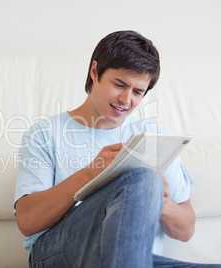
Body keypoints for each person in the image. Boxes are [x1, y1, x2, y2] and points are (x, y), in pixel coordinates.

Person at [14, 31, 220, 267]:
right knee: (142, 179)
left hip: (138, 259)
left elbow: (186, 230)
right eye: (119, 84)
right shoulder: (44, 133)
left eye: (137, 92)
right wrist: (92, 173)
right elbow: (27, 222)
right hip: (60, 255)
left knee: (145, 181)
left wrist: (156, 198)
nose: (126, 99)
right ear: (95, 71)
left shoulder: (154, 139)